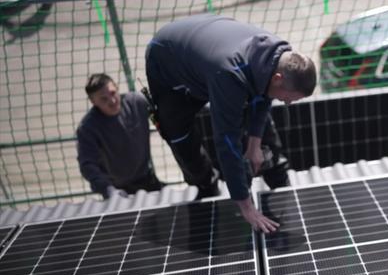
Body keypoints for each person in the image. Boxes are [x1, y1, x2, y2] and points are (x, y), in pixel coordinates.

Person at [145, 14, 316, 233]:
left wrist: (254, 146)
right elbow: (227, 140)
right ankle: (206, 185)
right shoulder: (230, 76)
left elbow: (264, 98)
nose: (289, 102)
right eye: (291, 97)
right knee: (178, 134)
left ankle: (277, 175)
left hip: (208, 56)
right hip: (168, 62)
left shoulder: (279, 55)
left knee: (254, 109)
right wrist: (245, 206)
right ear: (278, 78)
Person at [76, 73, 165, 199]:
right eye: (103, 99)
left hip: (147, 178)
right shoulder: (88, 128)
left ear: (117, 88)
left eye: (112, 93)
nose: (112, 101)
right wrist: (108, 189)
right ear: (93, 101)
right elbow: (87, 164)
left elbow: (166, 114)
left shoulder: (137, 103)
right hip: (117, 189)